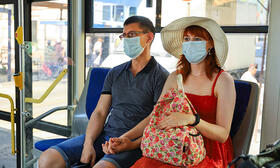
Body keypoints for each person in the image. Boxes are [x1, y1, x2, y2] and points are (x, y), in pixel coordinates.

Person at [103, 17, 236, 168]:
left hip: (208, 153)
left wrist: (191, 119)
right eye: (186, 38)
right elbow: (155, 117)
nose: (190, 43)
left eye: (197, 39)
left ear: (210, 44)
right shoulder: (175, 77)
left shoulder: (223, 80)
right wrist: (126, 140)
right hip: (174, 145)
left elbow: (223, 134)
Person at [38, 15, 169, 168]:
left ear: (149, 38)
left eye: (132, 34)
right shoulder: (115, 73)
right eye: (124, 35)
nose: (126, 39)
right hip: (105, 135)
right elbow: (100, 112)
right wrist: (88, 143)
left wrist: (124, 141)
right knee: (47, 159)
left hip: (133, 142)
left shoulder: (161, 76)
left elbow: (155, 119)